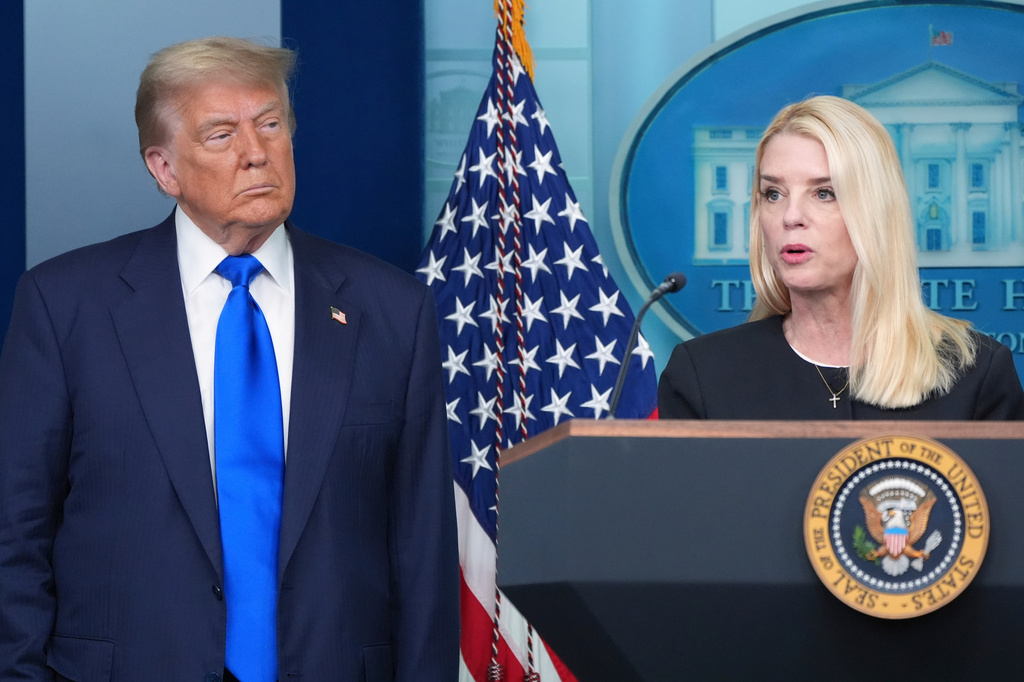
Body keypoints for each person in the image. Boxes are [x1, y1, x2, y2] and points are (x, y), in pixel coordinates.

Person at [0, 37, 459, 681]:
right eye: (221, 135)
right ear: (164, 169)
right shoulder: (64, 305)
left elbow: (423, 551)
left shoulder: (393, 311)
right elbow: (15, 538)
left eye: (271, 124)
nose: (255, 152)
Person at [658, 95, 1024, 420]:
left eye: (824, 193)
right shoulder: (702, 374)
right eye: (773, 194)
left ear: (876, 212)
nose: (790, 216)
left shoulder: (976, 373)